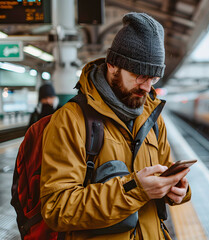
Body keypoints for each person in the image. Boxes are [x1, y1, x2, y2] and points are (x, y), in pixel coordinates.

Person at [40, 12, 191, 239]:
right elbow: (57, 209)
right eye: (139, 75)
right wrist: (135, 189)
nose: (147, 87)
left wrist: (179, 190)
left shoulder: (153, 118)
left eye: (154, 78)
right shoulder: (71, 119)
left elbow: (165, 171)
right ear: (112, 65)